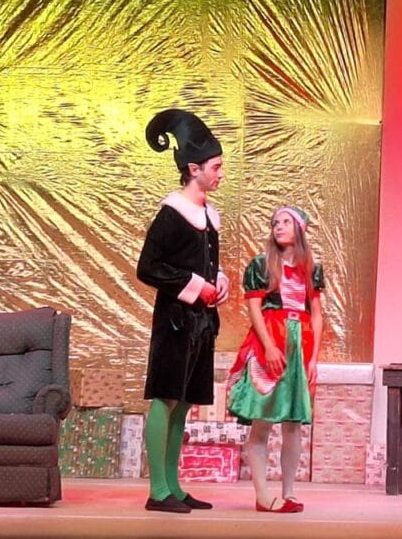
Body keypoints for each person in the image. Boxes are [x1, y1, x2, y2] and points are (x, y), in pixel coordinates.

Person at [137, 108, 229, 514]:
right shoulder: (171, 214)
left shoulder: (209, 216)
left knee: (186, 401)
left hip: (201, 323)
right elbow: (148, 268)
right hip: (175, 321)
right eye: (216, 167)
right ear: (194, 169)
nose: (220, 173)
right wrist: (195, 286)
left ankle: (173, 485)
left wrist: (218, 281)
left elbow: (207, 263)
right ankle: (158, 490)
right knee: (166, 397)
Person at [227, 206, 324, 513]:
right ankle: (262, 495)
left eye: (285, 222)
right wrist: (268, 346)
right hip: (272, 338)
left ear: (300, 229)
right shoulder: (261, 264)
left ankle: (289, 492)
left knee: (293, 424)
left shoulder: (311, 268)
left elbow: (316, 313)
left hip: (300, 344)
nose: (278, 227)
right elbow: (255, 309)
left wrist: (313, 358)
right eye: (275, 223)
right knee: (263, 420)